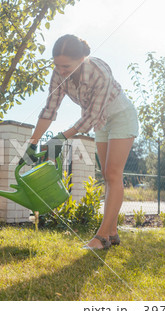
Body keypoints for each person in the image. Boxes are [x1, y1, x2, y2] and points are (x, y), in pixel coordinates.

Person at [22, 34, 139, 250]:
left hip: (121, 115)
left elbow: (90, 117)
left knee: (113, 173)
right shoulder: (59, 74)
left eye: (66, 66)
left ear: (83, 58)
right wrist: (32, 143)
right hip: (101, 122)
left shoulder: (100, 72)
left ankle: (102, 237)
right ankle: (113, 232)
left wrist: (62, 137)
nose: (61, 71)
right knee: (106, 175)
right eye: (56, 65)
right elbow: (50, 108)